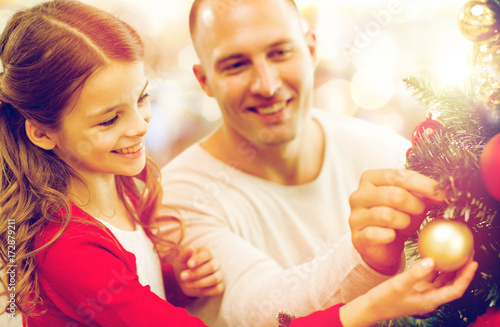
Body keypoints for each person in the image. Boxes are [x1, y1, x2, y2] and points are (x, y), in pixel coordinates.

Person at [157, 0, 477, 326]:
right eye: (236, 65)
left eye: (280, 52)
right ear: (204, 80)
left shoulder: (385, 152)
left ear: (311, 50)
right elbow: (262, 313)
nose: (267, 85)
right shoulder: (179, 195)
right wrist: (365, 258)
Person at [0, 1, 224, 326]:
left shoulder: (121, 185)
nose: (140, 126)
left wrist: (177, 282)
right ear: (43, 133)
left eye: (142, 99)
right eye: (109, 120)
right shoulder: (68, 249)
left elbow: (131, 296)